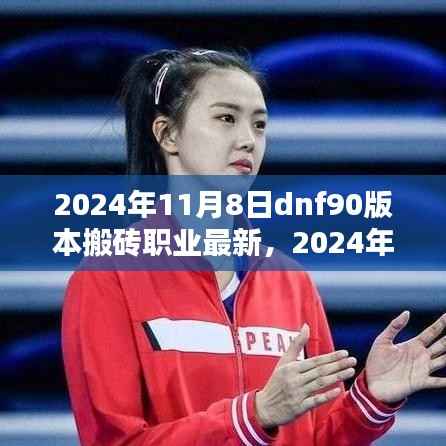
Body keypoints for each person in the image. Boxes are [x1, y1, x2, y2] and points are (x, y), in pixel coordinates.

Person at [62, 48, 446, 446]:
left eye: (259, 125)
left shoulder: (289, 279)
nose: (248, 140)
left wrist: (370, 401)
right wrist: (253, 416)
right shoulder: (108, 277)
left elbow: (316, 435)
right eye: (226, 118)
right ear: (167, 134)